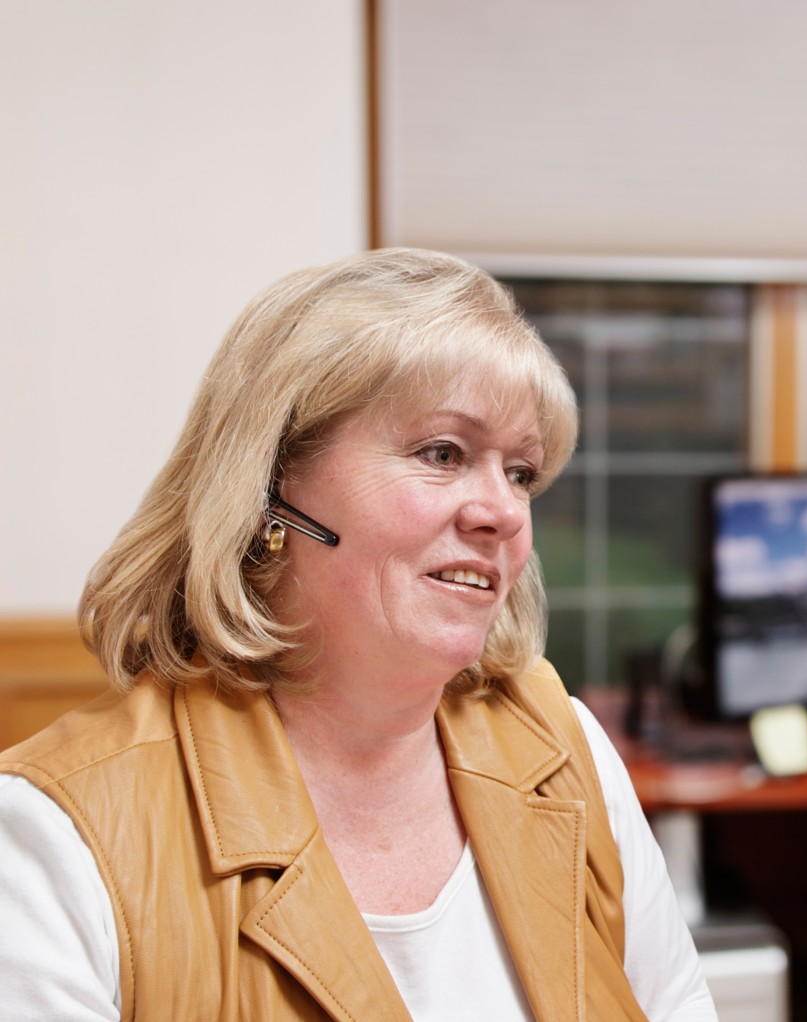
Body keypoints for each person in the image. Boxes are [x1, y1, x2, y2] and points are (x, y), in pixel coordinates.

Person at [0, 249, 717, 1021]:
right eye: (443, 453)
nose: (505, 514)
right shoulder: (53, 839)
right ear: (271, 486)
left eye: (520, 472)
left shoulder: (564, 747)